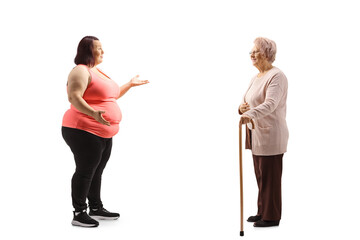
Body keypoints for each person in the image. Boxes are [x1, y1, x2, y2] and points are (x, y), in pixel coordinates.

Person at [62, 36, 149, 227]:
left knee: (97, 170)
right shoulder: (80, 71)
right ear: (87, 51)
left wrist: (130, 84)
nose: (103, 52)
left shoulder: (96, 71)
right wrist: (93, 113)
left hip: (102, 131)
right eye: (98, 49)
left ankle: (95, 207)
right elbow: (74, 96)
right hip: (82, 129)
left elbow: (112, 95)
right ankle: (78, 213)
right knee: (85, 171)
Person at [238, 37, 289, 227]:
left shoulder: (277, 76)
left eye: (256, 51)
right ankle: (262, 211)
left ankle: (272, 216)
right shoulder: (256, 77)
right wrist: (242, 108)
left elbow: (270, 104)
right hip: (256, 132)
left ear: (267, 53)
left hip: (271, 134)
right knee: (261, 175)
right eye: (250, 51)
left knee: (270, 177)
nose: (251, 54)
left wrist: (249, 113)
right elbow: (249, 101)